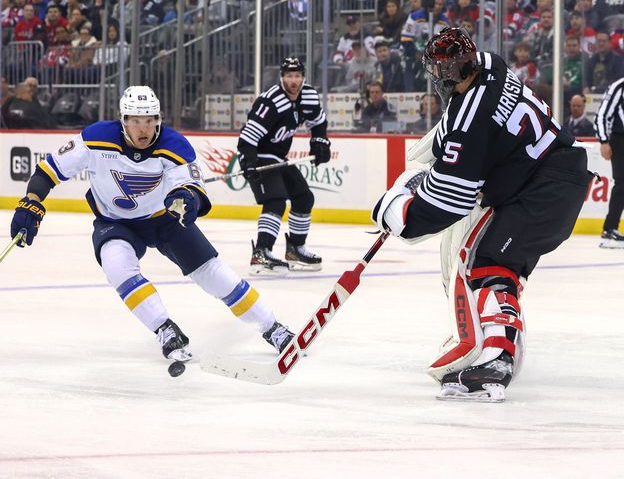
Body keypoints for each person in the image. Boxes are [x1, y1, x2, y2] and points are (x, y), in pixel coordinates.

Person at [371, 27, 592, 402]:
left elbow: (451, 201)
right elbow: (462, 130)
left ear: (451, 72)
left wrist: (400, 214)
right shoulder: (494, 66)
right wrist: (438, 160)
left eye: (441, 69)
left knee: (487, 262)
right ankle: (496, 343)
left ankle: (499, 358)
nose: (438, 77)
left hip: (544, 187)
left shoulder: (470, 121)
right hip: (554, 177)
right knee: (494, 263)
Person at [9, 86, 295, 362]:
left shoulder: (174, 145)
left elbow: (193, 189)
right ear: (123, 120)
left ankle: (273, 328)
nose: (143, 129)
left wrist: (186, 199)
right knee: (116, 265)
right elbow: (48, 171)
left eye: (149, 120)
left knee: (212, 273)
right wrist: (32, 201)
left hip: (164, 220)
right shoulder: (95, 138)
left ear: (158, 120)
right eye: (135, 121)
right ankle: (164, 328)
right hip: (115, 222)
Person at [236, 57, 331, 274]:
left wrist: (319, 143)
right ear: (282, 78)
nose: (294, 80)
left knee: (304, 197)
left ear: (303, 77)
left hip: (278, 158)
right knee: (275, 201)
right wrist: (249, 162)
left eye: (297, 75)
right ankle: (261, 253)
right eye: (289, 76)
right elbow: (247, 138)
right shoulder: (270, 102)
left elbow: (319, 122)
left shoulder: (308, 96)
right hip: (258, 155)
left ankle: (295, 249)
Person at [594, 78, 624, 248]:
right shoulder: (619, 86)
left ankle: (611, 228)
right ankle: (609, 229)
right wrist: (604, 141)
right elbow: (602, 114)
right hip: (620, 139)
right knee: (621, 185)